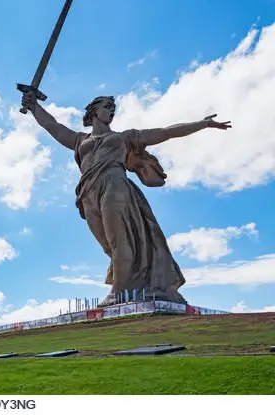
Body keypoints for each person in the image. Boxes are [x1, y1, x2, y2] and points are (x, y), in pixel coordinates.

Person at [21, 92, 231, 305]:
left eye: (113, 108)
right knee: (109, 246)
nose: (111, 111)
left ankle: (118, 292)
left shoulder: (124, 137)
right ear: (94, 111)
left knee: (119, 239)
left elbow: (166, 132)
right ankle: (132, 283)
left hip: (115, 185)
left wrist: (202, 124)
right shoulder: (79, 140)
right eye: (107, 107)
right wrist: (34, 107)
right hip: (87, 192)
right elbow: (53, 127)